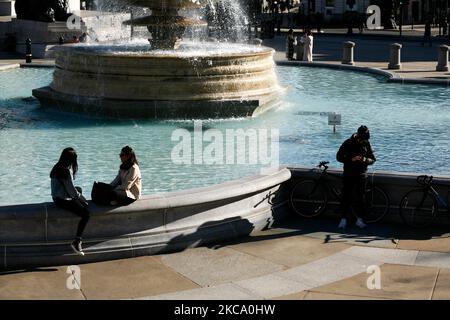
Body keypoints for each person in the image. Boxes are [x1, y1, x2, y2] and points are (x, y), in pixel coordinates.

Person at [50, 147, 90, 256]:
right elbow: (72, 192)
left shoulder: (57, 166)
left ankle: (77, 241)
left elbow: (68, 188)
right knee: (86, 214)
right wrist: (83, 199)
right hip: (62, 200)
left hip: (55, 198)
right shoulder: (65, 171)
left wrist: (78, 194)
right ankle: (77, 241)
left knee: (79, 189)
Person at [336, 126, 376, 229]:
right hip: (348, 173)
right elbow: (339, 157)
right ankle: (343, 219)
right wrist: (351, 159)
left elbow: (373, 159)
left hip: (361, 174)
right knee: (346, 196)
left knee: (361, 198)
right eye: (362, 139)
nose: (364, 141)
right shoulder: (348, 143)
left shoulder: (366, 143)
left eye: (365, 139)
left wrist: (364, 159)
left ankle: (359, 219)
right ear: (358, 136)